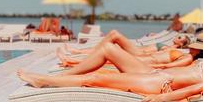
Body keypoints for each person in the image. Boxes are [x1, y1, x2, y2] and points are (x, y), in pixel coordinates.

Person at [18, 45, 203, 102]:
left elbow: (191, 91)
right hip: (153, 74)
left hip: (156, 83)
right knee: (109, 50)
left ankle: (43, 81)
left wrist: (162, 99)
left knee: (93, 80)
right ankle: (63, 73)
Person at [57, 30, 192, 68]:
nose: (178, 37)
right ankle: (76, 53)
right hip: (138, 49)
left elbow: (159, 57)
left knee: (114, 35)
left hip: (139, 53)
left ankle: (73, 56)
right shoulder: (169, 46)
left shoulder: (170, 49)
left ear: (182, 44)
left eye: (181, 38)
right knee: (111, 44)